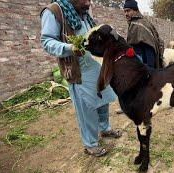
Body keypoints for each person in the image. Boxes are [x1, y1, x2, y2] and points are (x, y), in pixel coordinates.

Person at [40, 0, 121, 157]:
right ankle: (90, 144)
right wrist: (70, 48)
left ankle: (104, 129)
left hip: (96, 65)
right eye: (84, 0)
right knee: (86, 107)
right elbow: (46, 41)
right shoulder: (54, 11)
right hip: (78, 69)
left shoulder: (83, 11)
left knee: (103, 100)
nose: (88, 3)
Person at [123, 0, 163, 69]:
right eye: (125, 11)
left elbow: (149, 47)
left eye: (128, 11)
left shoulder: (140, 24)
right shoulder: (134, 23)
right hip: (136, 63)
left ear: (135, 11)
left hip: (143, 64)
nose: (126, 14)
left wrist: (150, 69)